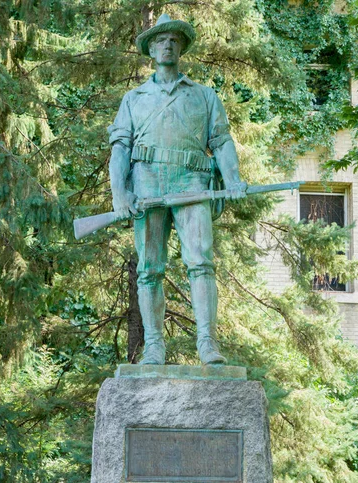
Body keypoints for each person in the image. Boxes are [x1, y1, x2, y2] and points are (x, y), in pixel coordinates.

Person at [108, 14, 246, 365]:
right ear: (151, 49)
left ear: (180, 47)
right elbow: (120, 148)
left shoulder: (204, 96)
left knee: (201, 262)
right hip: (147, 183)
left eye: (173, 40)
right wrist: (119, 194)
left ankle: (207, 343)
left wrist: (232, 180)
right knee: (150, 268)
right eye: (160, 40)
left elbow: (222, 140)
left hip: (192, 182)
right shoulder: (134, 98)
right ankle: (153, 344)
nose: (167, 45)